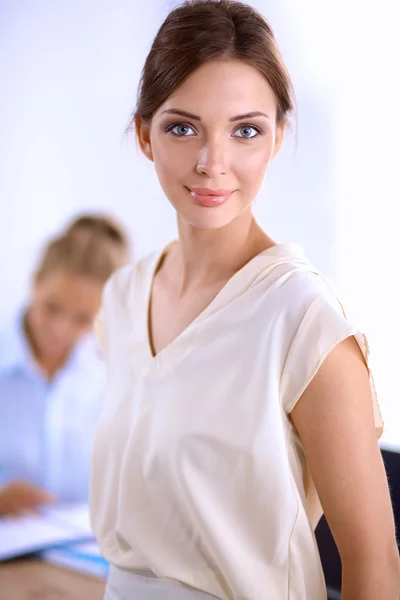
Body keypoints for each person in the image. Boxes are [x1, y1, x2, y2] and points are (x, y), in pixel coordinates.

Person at [90, 2, 400, 599]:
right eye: (183, 127)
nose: (213, 164)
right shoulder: (122, 300)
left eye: (246, 130)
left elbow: (375, 565)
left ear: (279, 136)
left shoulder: (304, 323)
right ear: (144, 135)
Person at [0, 214, 129, 516]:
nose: (61, 329)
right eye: (51, 307)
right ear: (35, 284)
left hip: (77, 552)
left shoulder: (110, 378)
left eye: (82, 319)